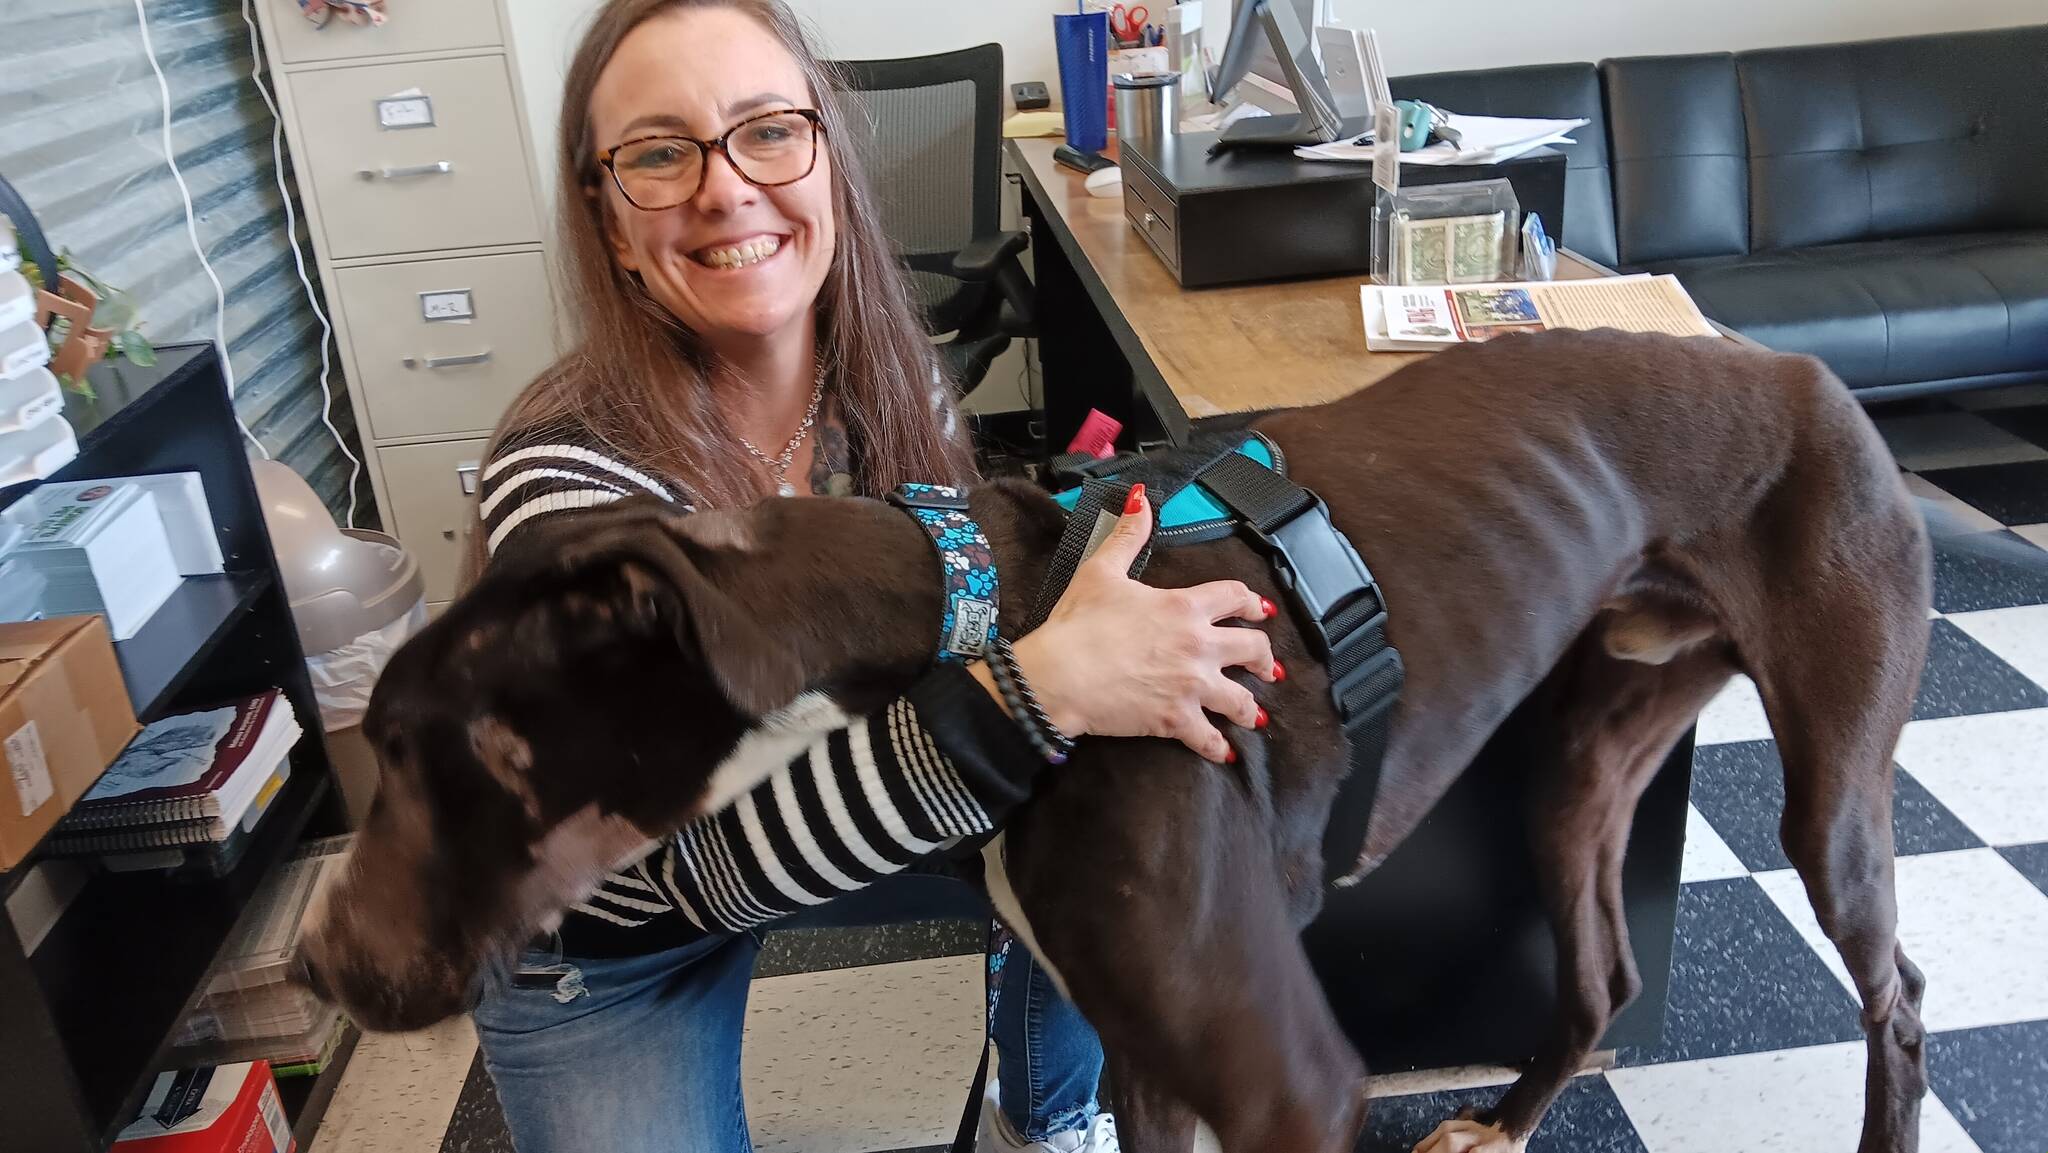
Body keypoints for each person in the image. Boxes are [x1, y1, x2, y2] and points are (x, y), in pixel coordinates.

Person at [465, 2, 1280, 1150]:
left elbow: (971, 657)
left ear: (828, 160)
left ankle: (1047, 1114)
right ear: (606, 223)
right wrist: (1036, 687)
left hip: (843, 787)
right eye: (659, 153)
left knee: (1106, 754)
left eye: (765, 131)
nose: (725, 188)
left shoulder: (891, 396)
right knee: (1051, 701)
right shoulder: (562, 480)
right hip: (616, 924)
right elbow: (700, 865)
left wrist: (1086, 652)